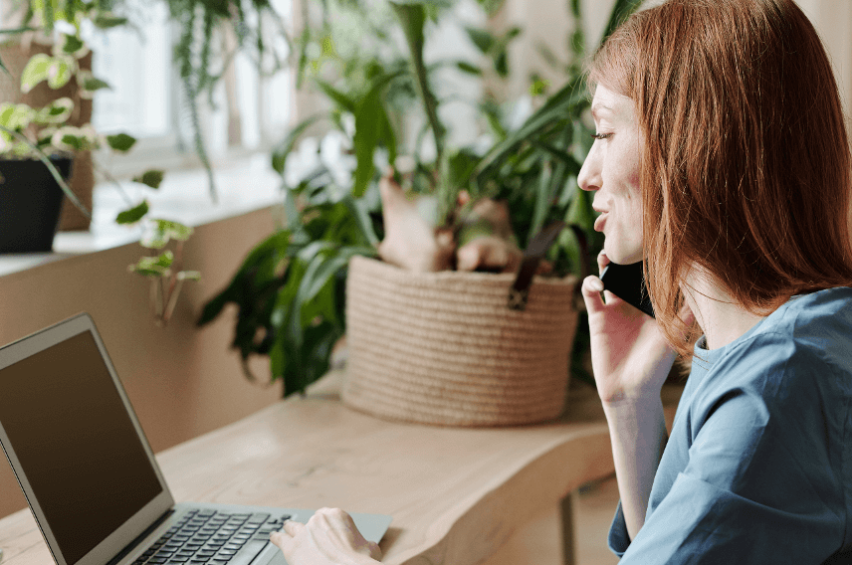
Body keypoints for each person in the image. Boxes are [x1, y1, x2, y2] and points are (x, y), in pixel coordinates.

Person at [270, 0, 852, 562]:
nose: (584, 175)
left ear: (695, 145)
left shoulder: (772, 394)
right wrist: (629, 401)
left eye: (604, 134)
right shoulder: (776, 342)